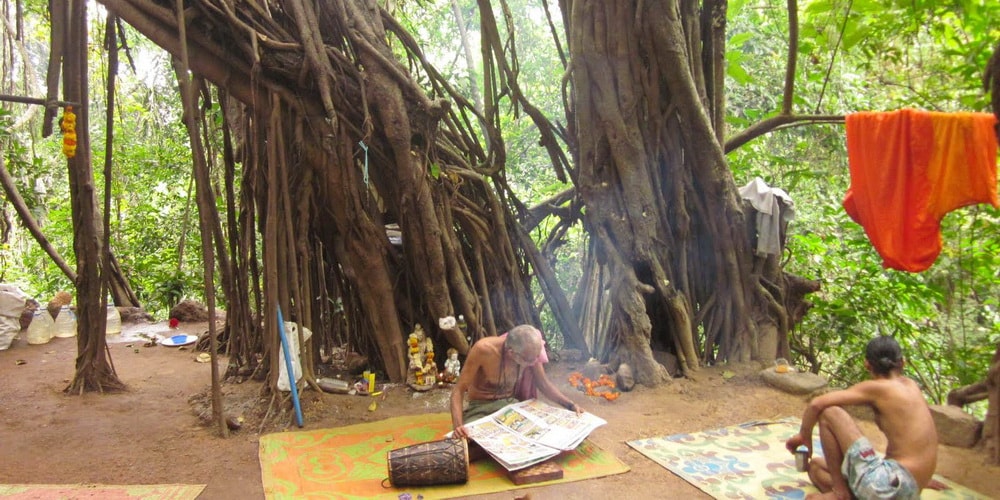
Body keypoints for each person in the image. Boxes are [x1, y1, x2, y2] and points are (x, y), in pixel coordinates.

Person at [785, 336, 939, 500]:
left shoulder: (877, 388)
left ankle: (840, 493)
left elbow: (816, 404)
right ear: (902, 362)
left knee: (830, 412)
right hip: (908, 487)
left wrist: (804, 435)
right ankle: (851, 494)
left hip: (887, 486)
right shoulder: (912, 386)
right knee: (816, 468)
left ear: (867, 364)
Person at [450, 324, 582, 444]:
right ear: (511, 353)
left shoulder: (531, 354)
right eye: (530, 360)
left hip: (511, 405)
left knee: (546, 432)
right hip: (480, 408)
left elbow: (544, 384)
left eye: (536, 357)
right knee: (471, 441)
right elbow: (458, 390)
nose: (535, 362)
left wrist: (570, 405)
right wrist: (458, 427)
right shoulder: (483, 350)